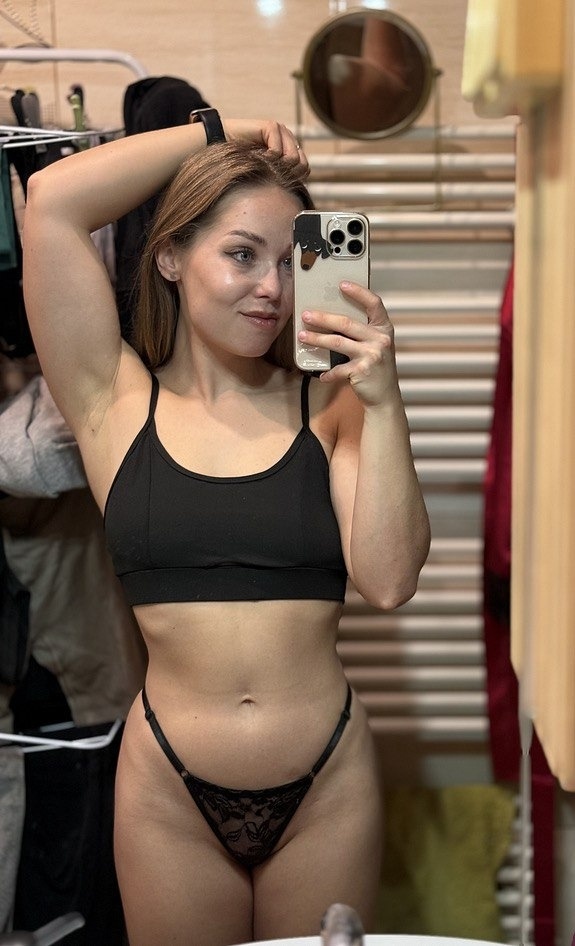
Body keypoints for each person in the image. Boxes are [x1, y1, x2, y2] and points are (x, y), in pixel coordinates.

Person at [21, 116, 430, 946]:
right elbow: (52, 201)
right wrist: (222, 132)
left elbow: (388, 582)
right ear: (171, 257)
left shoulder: (333, 405)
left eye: (289, 261)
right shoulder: (111, 403)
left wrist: (384, 401)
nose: (271, 288)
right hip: (168, 792)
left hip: (327, 787)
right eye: (241, 254)